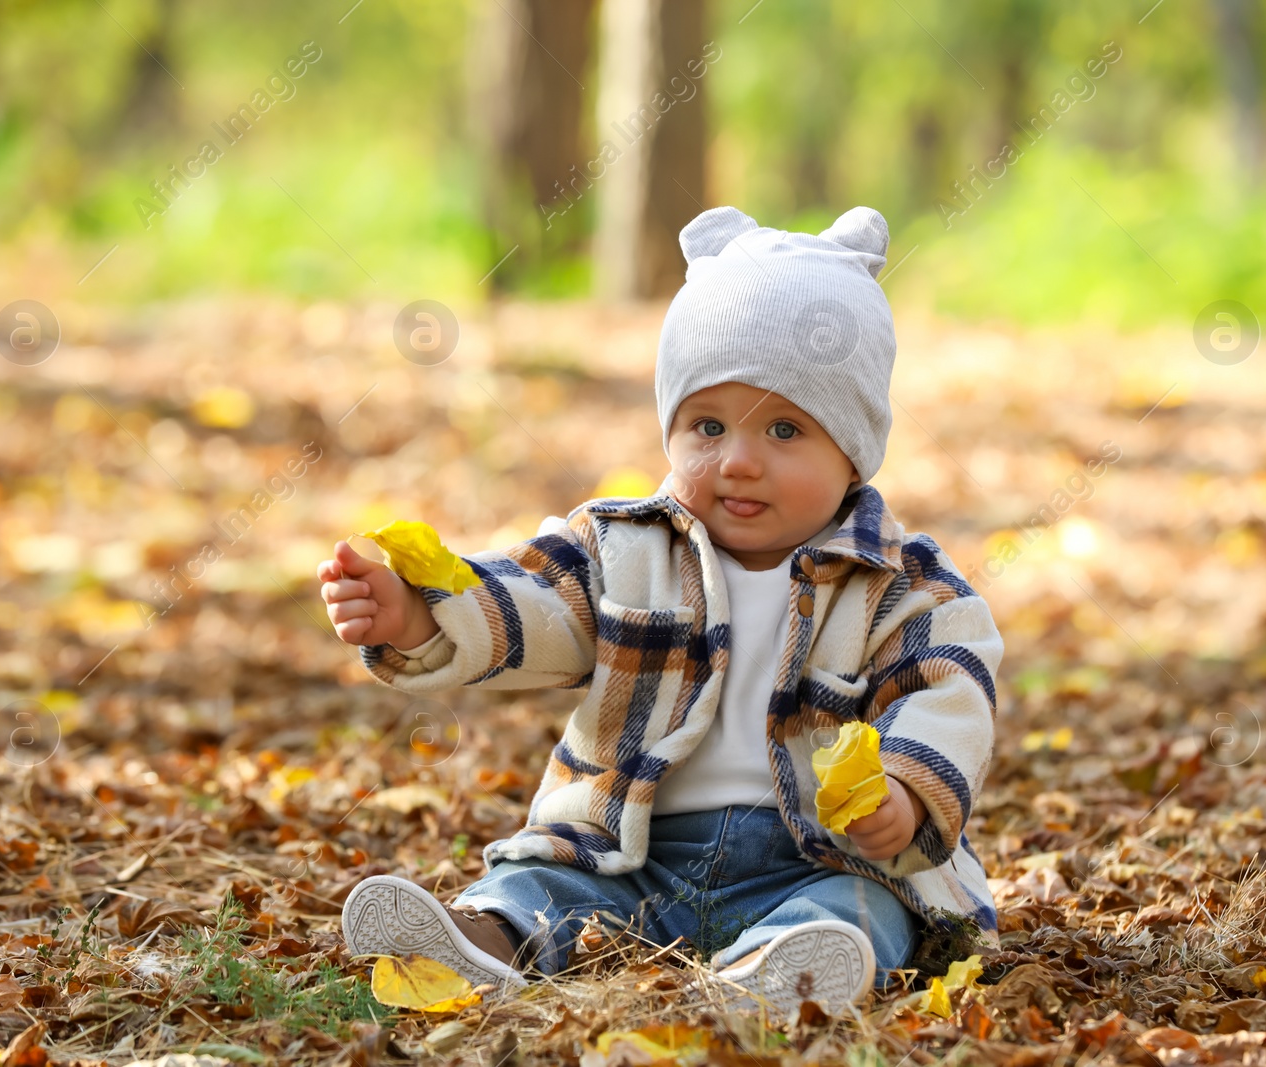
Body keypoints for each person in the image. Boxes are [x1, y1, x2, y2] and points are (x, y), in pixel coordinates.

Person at [316, 205, 1003, 1015]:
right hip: (628, 849)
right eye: (707, 424)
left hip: (816, 858)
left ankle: (779, 973)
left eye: (784, 428)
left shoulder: (901, 585)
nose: (739, 461)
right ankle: (481, 941)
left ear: (852, 450)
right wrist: (423, 614)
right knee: (540, 881)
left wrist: (908, 794)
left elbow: (948, 688)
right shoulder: (625, 551)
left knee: (873, 909)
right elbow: (531, 605)